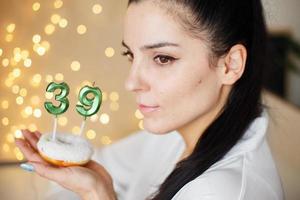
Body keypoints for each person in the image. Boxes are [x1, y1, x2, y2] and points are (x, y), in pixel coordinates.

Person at [15, 0, 284, 199]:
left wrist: (101, 197)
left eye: (163, 58)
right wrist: (97, 186)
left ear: (230, 65)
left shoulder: (219, 192)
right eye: (131, 55)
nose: (131, 83)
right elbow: (102, 165)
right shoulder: (173, 133)